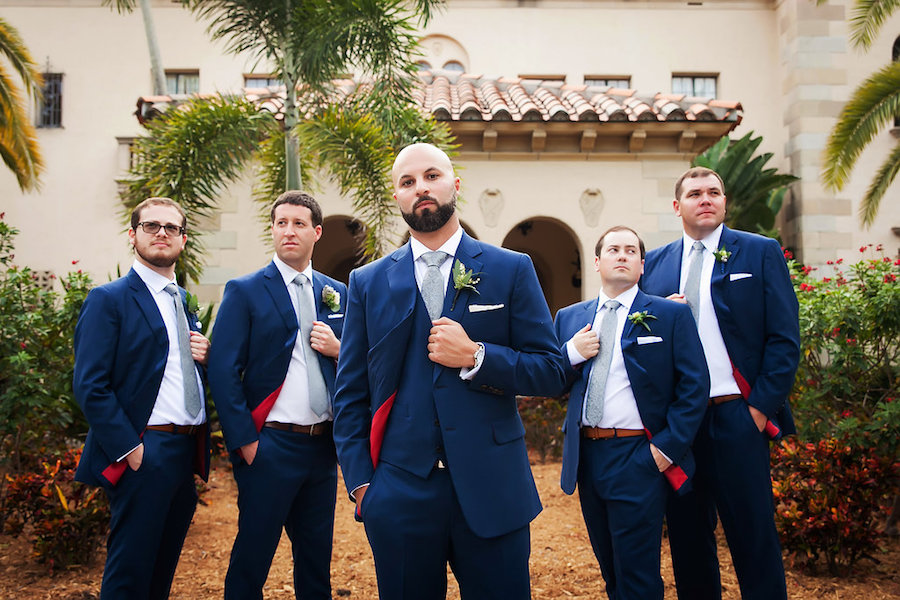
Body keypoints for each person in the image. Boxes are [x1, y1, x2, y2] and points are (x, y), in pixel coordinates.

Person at [332, 142, 566, 599]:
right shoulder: (368, 282)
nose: (421, 187)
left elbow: (552, 371)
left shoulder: (511, 269)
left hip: (493, 487)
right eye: (407, 182)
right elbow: (350, 394)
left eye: (432, 176)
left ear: (455, 184)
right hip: (399, 494)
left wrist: (478, 356)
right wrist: (363, 487)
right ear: (397, 197)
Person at [641, 166, 800, 600]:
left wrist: (759, 409)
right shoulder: (652, 265)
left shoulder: (759, 252)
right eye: (695, 194)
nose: (705, 199)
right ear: (678, 207)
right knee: (689, 538)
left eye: (714, 192)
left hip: (737, 416)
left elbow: (784, 339)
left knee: (753, 533)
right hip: (681, 425)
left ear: (725, 202)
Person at [554, 226, 708, 599]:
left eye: (630, 251)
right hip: (588, 457)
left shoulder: (670, 315)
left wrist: (665, 449)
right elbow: (550, 382)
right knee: (610, 569)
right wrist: (571, 353)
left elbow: (694, 386)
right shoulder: (570, 318)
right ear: (597, 261)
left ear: (642, 266)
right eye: (612, 249)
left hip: (639, 456)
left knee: (638, 573)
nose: (621, 255)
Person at [208, 191, 346, 600]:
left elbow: (359, 364)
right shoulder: (245, 290)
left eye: (299, 224)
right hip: (270, 446)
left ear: (316, 232)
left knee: (316, 561)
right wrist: (245, 442)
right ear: (273, 229)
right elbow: (222, 369)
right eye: (281, 223)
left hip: (322, 449)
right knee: (252, 558)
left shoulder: (336, 291)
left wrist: (340, 349)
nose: (289, 231)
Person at [73, 197, 211, 600]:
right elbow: (90, 384)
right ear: (133, 235)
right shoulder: (109, 299)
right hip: (143, 451)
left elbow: (167, 370)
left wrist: (203, 354)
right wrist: (130, 449)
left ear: (183, 240)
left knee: (161, 572)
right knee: (128, 575)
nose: (162, 233)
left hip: (184, 451)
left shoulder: (183, 301)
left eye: (171, 228)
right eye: (152, 226)